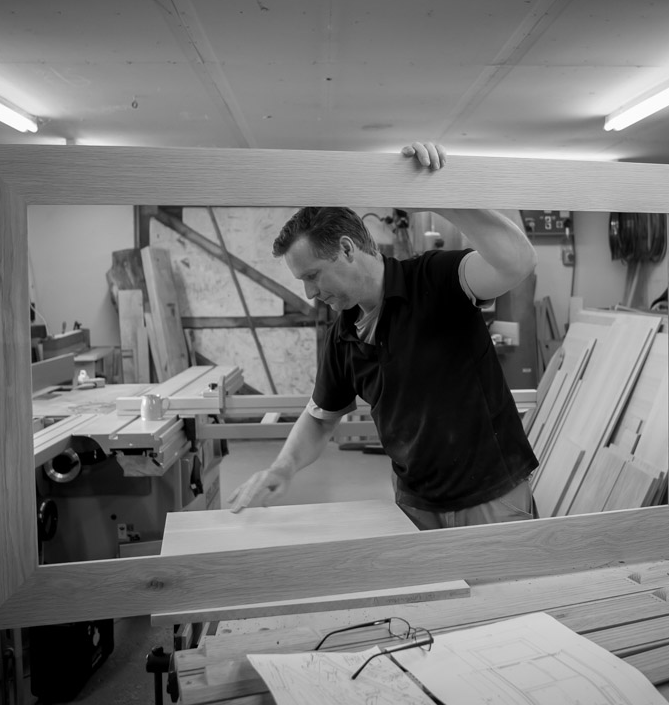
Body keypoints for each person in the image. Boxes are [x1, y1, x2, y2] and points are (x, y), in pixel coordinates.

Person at [226, 141, 540, 529]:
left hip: (492, 495)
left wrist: (443, 197)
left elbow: (518, 263)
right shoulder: (343, 336)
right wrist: (283, 468)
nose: (309, 293)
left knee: (508, 589)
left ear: (346, 248)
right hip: (416, 504)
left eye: (312, 275)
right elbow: (320, 417)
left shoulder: (434, 280)